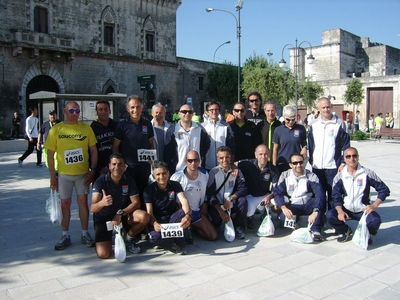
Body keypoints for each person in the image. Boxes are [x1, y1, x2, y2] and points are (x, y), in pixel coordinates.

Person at [45, 101, 98, 250]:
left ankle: (85, 233)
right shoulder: (56, 129)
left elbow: (93, 150)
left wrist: (93, 170)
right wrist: (52, 176)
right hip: (64, 175)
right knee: (65, 205)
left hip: (82, 174)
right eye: (71, 111)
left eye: (77, 111)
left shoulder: (86, 128)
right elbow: (50, 154)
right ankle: (65, 235)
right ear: (65, 112)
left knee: (83, 203)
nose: (75, 114)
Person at [90, 153, 150, 258]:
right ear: (109, 165)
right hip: (104, 218)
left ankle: (128, 238)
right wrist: (102, 203)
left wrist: (120, 213)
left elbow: (136, 203)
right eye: (114, 164)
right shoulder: (100, 181)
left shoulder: (129, 180)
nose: (116, 167)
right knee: (103, 254)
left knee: (144, 216)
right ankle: (111, 237)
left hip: (122, 215)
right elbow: (92, 208)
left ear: (124, 165)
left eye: (120, 164)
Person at [326, 147, 390, 243]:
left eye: (354, 156)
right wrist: (340, 211)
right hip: (346, 209)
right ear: (344, 159)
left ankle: (366, 234)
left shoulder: (367, 173)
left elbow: (384, 190)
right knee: (330, 215)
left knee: (375, 220)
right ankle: (345, 231)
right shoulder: (339, 176)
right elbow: (336, 196)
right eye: (348, 156)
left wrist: (374, 205)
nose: (352, 159)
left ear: (358, 157)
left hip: (363, 210)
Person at [308, 97, 350, 211]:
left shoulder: (339, 123)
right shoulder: (313, 124)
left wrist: (342, 163)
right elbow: (311, 144)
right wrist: (311, 161)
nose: (326, 109)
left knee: (333, 195)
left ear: (331, 107)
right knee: (319, 195)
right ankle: (319, 220)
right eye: (323, 107)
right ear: (318, 108)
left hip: (333, 167)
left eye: (328, 107)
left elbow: (346, 145)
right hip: (317, 167)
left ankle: (333, 219)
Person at [273, 153, 325, 241]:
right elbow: (277, 193)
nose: (298, 165)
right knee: (282, 217)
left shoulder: (311, 176)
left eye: (301, 162)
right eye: (295, 163)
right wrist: (283, 207)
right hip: (293, 204)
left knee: (319, 205)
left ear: (304, 163)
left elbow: (319, 193)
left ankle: (316, 230)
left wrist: (316, 210)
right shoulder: (285, 175)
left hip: (307, 203)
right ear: (290, 165)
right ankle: (296, 220)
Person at [143, 161, 192, 255]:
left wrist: (187, 215)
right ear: (153, 176)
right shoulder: (148, 190)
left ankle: (177, 242)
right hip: (158, 220)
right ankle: (171, 240)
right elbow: (149, 212)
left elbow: (184, 201)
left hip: (172, 218)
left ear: (168, 173)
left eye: (164, 173)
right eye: (158, 174)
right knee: (155, 238)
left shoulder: (175, 185)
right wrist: (154, 223)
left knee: (185, 213)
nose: (161, 177)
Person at [112, 95, 154, 198]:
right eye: (132, 107)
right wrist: (119, 164)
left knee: (144, 194)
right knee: (128, 196)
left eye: (138, 107)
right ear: (127, 109)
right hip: (128, 167)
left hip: (144, 166)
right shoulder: (122, 125)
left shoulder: (147, 123)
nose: (135, 110)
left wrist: (151, 157)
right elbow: (115, 146)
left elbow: (150, 143)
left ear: (142, 108)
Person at [170, 150, 217, 241]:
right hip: (181, 212)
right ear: (185, 161)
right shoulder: (176, 177)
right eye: (190, 161)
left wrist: (204, 204)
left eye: (195, 160)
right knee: (181, 240)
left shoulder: (205, 175)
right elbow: (170, 196)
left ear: (199, 160)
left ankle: (193, 227)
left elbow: (207, 192)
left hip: (196, 211)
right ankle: (187, 230)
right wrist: (175, 206)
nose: (193, 163)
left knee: (213, 236)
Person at [207, 146, 248, 239]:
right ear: (218, 159)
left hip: (231, 202)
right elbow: (210, 194)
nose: (224, 160)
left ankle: (239, 227)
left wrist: (231, 198)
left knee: (243, 201)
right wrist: (220, 211)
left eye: (227, 157)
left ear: (231, 157)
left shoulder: (237, 172)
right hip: (218, 204)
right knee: (216, 220)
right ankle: (220, 224)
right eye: (221, 158)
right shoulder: (213, 172)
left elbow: (243, 189)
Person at [237, 144, 279, 229]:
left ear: (269, 155)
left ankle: (266, 213)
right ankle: (249, 218)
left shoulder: (273, 169)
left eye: (266, 154)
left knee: (282, 201)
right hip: (251, 196)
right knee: (248, 212)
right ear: (255, 155)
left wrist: (269, 197)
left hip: (265, 195)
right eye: (260, 154)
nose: (263, 156)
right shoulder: (248, 163)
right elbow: (234, 164)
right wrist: (234, 168)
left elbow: (276, 188)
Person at [164, 104, 210, 174]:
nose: (187, 114)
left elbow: (206, 144)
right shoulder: (172, 130)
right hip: (179, 171)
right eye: (184, 112)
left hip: (197, 170)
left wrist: (200, 155)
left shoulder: (200, 129)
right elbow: (168, 152)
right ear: (179, 113)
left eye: (190, 112)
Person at [272, 105, 307, 174]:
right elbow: (275, 149)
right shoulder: (278, 130)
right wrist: (274, 164)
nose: (291, 122)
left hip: (296, 163)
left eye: (293, 119)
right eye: (288, 119)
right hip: (282, 162)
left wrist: (305, 147)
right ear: (284, 117)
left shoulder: (301, 128)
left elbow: (304, 142)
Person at [202, 101, 235, 170]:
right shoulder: (202, 127)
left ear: (219, 111)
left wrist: (231, 163)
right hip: (207, 165)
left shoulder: (226, 126)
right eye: (211, 110)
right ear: (207, 112)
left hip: (223, 166)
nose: (214, 112)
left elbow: (231, 145)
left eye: (216, 109)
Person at [90, 100, 118, 180]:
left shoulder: (117, 126)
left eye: (106, 109)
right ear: (96, 112)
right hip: (99, 170)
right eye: (100, 109)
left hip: (117, 167)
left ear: (110, 111)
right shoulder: (92, 128)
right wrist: (94, 169)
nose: (103, 112)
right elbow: (90, 151)